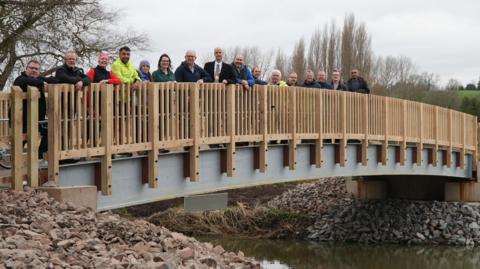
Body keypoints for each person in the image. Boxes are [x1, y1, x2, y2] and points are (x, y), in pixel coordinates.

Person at [13, 60, 58, 159]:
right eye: (31, 68)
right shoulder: (20, 79)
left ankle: (39, 155)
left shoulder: (40, 78)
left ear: (39, 71)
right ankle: (15, 160)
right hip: (21, 120)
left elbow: (55, 80)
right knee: (21, 141)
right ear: (26, 68)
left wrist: (45, 81)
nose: (34, 70)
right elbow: (27, 82)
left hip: (37, 120)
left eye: (36, 69)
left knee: (51, 131)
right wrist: (43, 82)